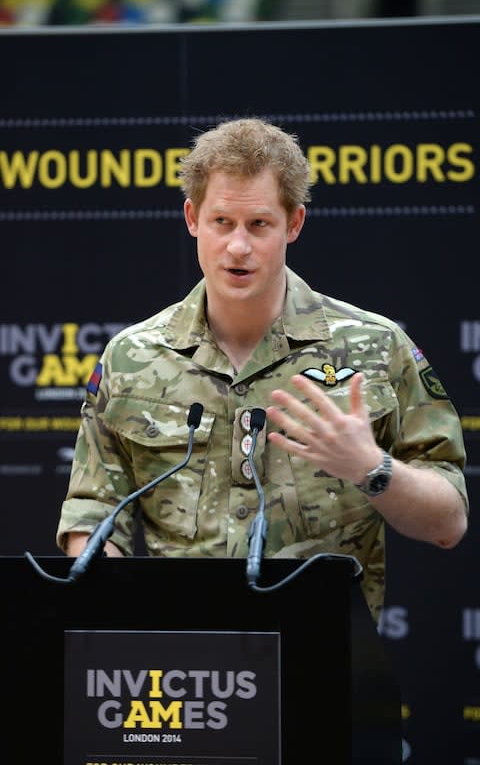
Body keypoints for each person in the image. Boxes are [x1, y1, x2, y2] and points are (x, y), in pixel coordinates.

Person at [56, 117, 468, 623]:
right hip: (181, 669)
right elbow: (92, 518)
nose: (237, 248)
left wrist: (370, 468)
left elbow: (448, 522)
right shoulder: (131, 357)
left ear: (293, 224)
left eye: (259, 225)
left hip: (326, 666)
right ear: (192, 218)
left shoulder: (375, 348)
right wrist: (123, 622)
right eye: (222, 223)